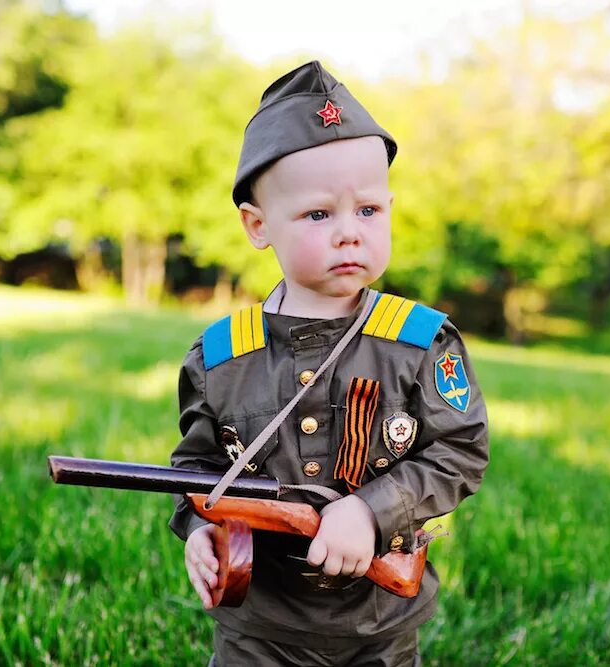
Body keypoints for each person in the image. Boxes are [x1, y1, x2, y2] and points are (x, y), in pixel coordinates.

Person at [169, 60, 489, 666]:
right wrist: (199, 532)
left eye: (368, 210)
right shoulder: (221, 355)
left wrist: (373, 510)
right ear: (257, 226)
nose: (349, 232)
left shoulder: (420, 342)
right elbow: (199, 469)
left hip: (380, 621)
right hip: (257, 625)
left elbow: (461, 451)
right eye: (319, 214)